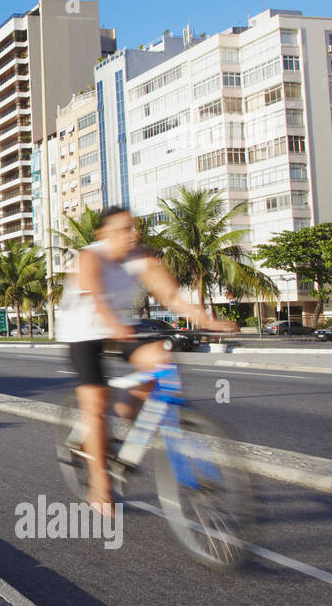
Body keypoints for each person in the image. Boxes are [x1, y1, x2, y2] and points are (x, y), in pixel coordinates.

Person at [57, 206, 236, 513]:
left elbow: (172, 297)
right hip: (82, 329)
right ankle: (100, 487)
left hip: (123, 324)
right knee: (96, 403)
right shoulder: (90, 256)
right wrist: (114, 327)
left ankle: (129, 408)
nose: (132, 235)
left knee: (161, 360)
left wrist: (207, 320)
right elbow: (96, 299)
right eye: (122, 230)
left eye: (134, 228)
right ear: (102, 234)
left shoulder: (143, 256)